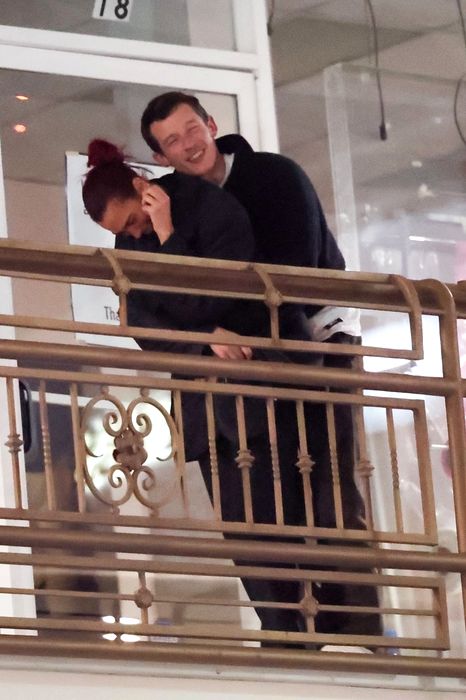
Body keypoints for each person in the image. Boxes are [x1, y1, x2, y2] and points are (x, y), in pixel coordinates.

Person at [139, 93, 381, 642]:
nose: (188, 144)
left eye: (192, 128)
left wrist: (205, 317)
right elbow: (146, 309)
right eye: (172, 140)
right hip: (229, 380)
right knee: (253, 515)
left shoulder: (273, 176)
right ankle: (289, 641)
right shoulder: (166, 210)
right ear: (160, 156)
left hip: (312, 352)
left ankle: (359, 641)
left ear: (211, 125)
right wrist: (207, 332)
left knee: (330, 500)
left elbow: (291, 276)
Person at [82, 138, 334, 644]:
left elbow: (215, 295)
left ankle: (303, 628)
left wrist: (169, 236)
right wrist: (203, 337)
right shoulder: (129, 249)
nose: (133, 234)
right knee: (237, 527)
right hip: (203, 400)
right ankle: (278, 629)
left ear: (143, 187)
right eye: (122, 233)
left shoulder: (209, 205)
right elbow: (141, 323)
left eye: (132, 221)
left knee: (278, 512)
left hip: (253, 387)